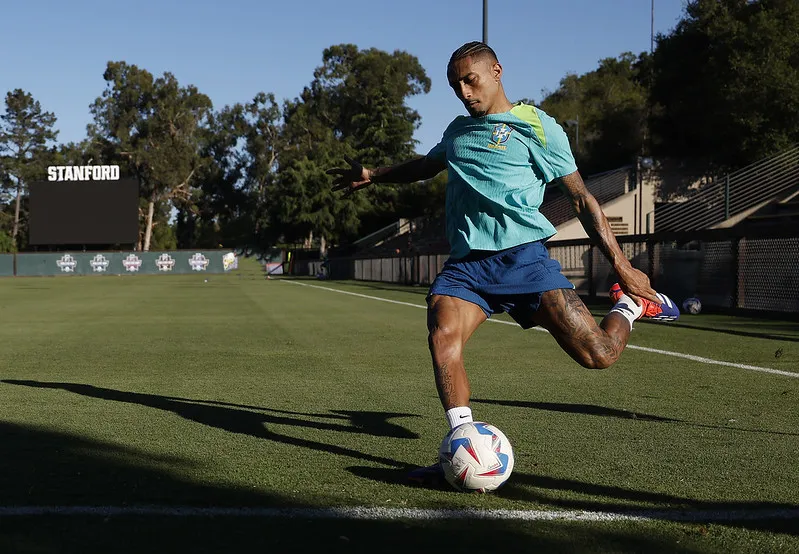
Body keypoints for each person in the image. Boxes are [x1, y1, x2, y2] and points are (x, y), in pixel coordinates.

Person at [327, 41, 679, 486]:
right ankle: (462, 445)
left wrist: (623, 267)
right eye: (455, 85)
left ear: (496, 71)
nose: (464, 92)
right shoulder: (457, 131)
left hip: (524, 262)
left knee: (599, 356)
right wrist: (374, 175)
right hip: (467, 269)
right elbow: (426, 165)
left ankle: (629, 308)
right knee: (442, 336)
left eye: (470, 80)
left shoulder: (538, 126)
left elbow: (582, 199)